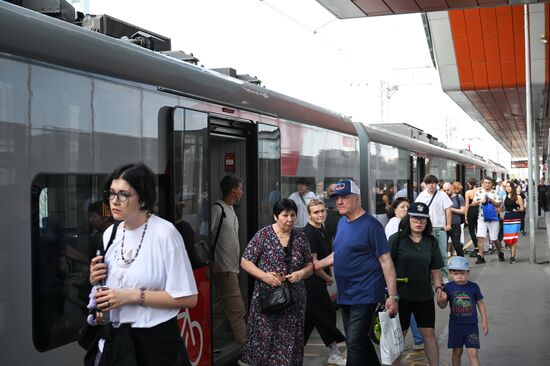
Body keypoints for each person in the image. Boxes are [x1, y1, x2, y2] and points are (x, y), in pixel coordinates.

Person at [88, 162, 198, 366]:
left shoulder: (165, 234)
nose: (114, 201)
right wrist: (95, 279)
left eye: (123, 195)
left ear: (143, 198)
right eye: (111, 193)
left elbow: (188, 298)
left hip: (154, 345)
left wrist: (131, 296)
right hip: (116, 343)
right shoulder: (109, 234)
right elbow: (106, 291)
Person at [314, 179, 398, 366]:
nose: (339, 201)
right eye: (337, 198)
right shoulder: (343, 223)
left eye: (345, 197)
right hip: (345, 294)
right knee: (359, 341)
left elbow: (386, 261)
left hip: (365, 293)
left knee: (353, 342)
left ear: (357, 199)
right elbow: (340, 253)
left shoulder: (371, 225)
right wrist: (318, 264)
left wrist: (393, 296)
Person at [240, 199, 314, 366]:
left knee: (291, 338)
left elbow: (310, 265)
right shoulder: (263, 235)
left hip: (294, 300)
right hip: (268, 298)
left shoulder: (301, 238)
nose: (289, 219)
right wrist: (264, 276)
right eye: (285, 215)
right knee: (265, 337)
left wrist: (301, 273)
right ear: (275, 216)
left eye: (293, 215)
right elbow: (245, 261)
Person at [388, 202, 444, 366]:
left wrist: (439, 289)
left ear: (427, 222)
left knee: (429, 332)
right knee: (400, 335)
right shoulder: (396, 240)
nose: (419, 222)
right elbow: (386, 266)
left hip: (424, 295)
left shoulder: (431, 242)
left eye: (423, 219)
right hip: (401, 296)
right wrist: (389, 296)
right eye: (415, 219)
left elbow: (435, 270)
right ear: (408, 219)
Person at [303, 199, 347, 366]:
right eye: (316, 212)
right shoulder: (309, 233)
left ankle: (293, 352)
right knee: (326, 314)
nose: (320, 214)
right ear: (309, 214)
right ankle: (335, 353)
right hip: (311, 282)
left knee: (309, 320)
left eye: (322, 211)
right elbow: (313, 264)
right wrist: (328, 278)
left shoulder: (322, 228)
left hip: (318, 281)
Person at [384, 198, 425, 352]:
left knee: (407, 307)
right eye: (402, 207)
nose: (406, 209)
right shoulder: (395, 223)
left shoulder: (401, 223)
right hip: (400, 275)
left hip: (404, 274)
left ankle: (416, 339)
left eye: (408, 206)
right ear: (394, 210)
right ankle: (412, 340)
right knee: (405, 307)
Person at [210, 175, 246, 346]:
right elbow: (205, 237)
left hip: (232, 267)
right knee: (237, 310)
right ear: (233, 191)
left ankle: (204, 338)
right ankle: (248, 350)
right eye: (240, 189)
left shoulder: (230, 210)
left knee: (218, 310)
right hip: (224, 268)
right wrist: (211, 261)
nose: (242, 192)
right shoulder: (218, 209)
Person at [437, 256, 488, 366]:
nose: (459, 277)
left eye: (462, 273)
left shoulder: (474, 287)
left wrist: (484, 321)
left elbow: (480, 303)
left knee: (473, 353)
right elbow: (442, 305)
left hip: (471, 326)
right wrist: (441, 299)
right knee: (457, 352)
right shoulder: (448, 287)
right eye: (456, 274)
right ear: (450, 273)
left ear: (468, 273)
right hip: (456, 326)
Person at [415, 174, 452, 282]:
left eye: (433, 183)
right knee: (427, 253)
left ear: (436, 184)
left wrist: (448, 224)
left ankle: (444, 277)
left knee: (442, 254)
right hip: (427, 229)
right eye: (429, 183)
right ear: (426, 185)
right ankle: (429, 277)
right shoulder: (421, 196)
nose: (431, 185)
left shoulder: (442, 195)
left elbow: (448, 210)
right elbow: (417, 211)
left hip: (440, 228)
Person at [471, 177, 503, 264]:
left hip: (493, 219)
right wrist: (481, 201)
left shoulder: (495, 192)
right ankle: (481, 256)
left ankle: (500, 252)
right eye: (485, 182)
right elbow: (472, 204)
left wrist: (492, 200)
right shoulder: (479, 192)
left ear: (492, 184)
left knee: (494, 239)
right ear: (482, 183)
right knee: (480, 237)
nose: (487, 184)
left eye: (489, 182)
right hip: (482, 219)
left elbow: (498, 204)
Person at [502, 180, 524, 264]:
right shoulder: (504, 197)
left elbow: (522, 208)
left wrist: (517, 209)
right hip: (507, 218)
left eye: (509, 186)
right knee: (508, 239)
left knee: (513, 238)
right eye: (506, 186)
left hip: (515, 218)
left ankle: (512, 256)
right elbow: (503, 208)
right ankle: (513, 252)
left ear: (513, 187)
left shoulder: (518, 197)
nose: (508, 188)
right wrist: (498, 210)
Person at [444, 182, 465, 257]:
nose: (446, 192)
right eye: (444, 190)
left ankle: (462, 261)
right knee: (443, 246)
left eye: (448, 190)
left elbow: (463, 211)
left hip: (455, 224)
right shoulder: (443, 198)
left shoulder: (458, 197)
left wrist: (450, 209)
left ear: (452, 189)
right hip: (444, 225)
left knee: (457, 245)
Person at [464, 178, 479, 257]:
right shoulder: (479, 190)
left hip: (471, 212)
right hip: (478, 211)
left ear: (469, 184)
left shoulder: (468, 192)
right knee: (478, 230)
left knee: (472, 231)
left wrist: (465, 216)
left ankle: (476, 247)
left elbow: (466, 205)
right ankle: (480, 248)